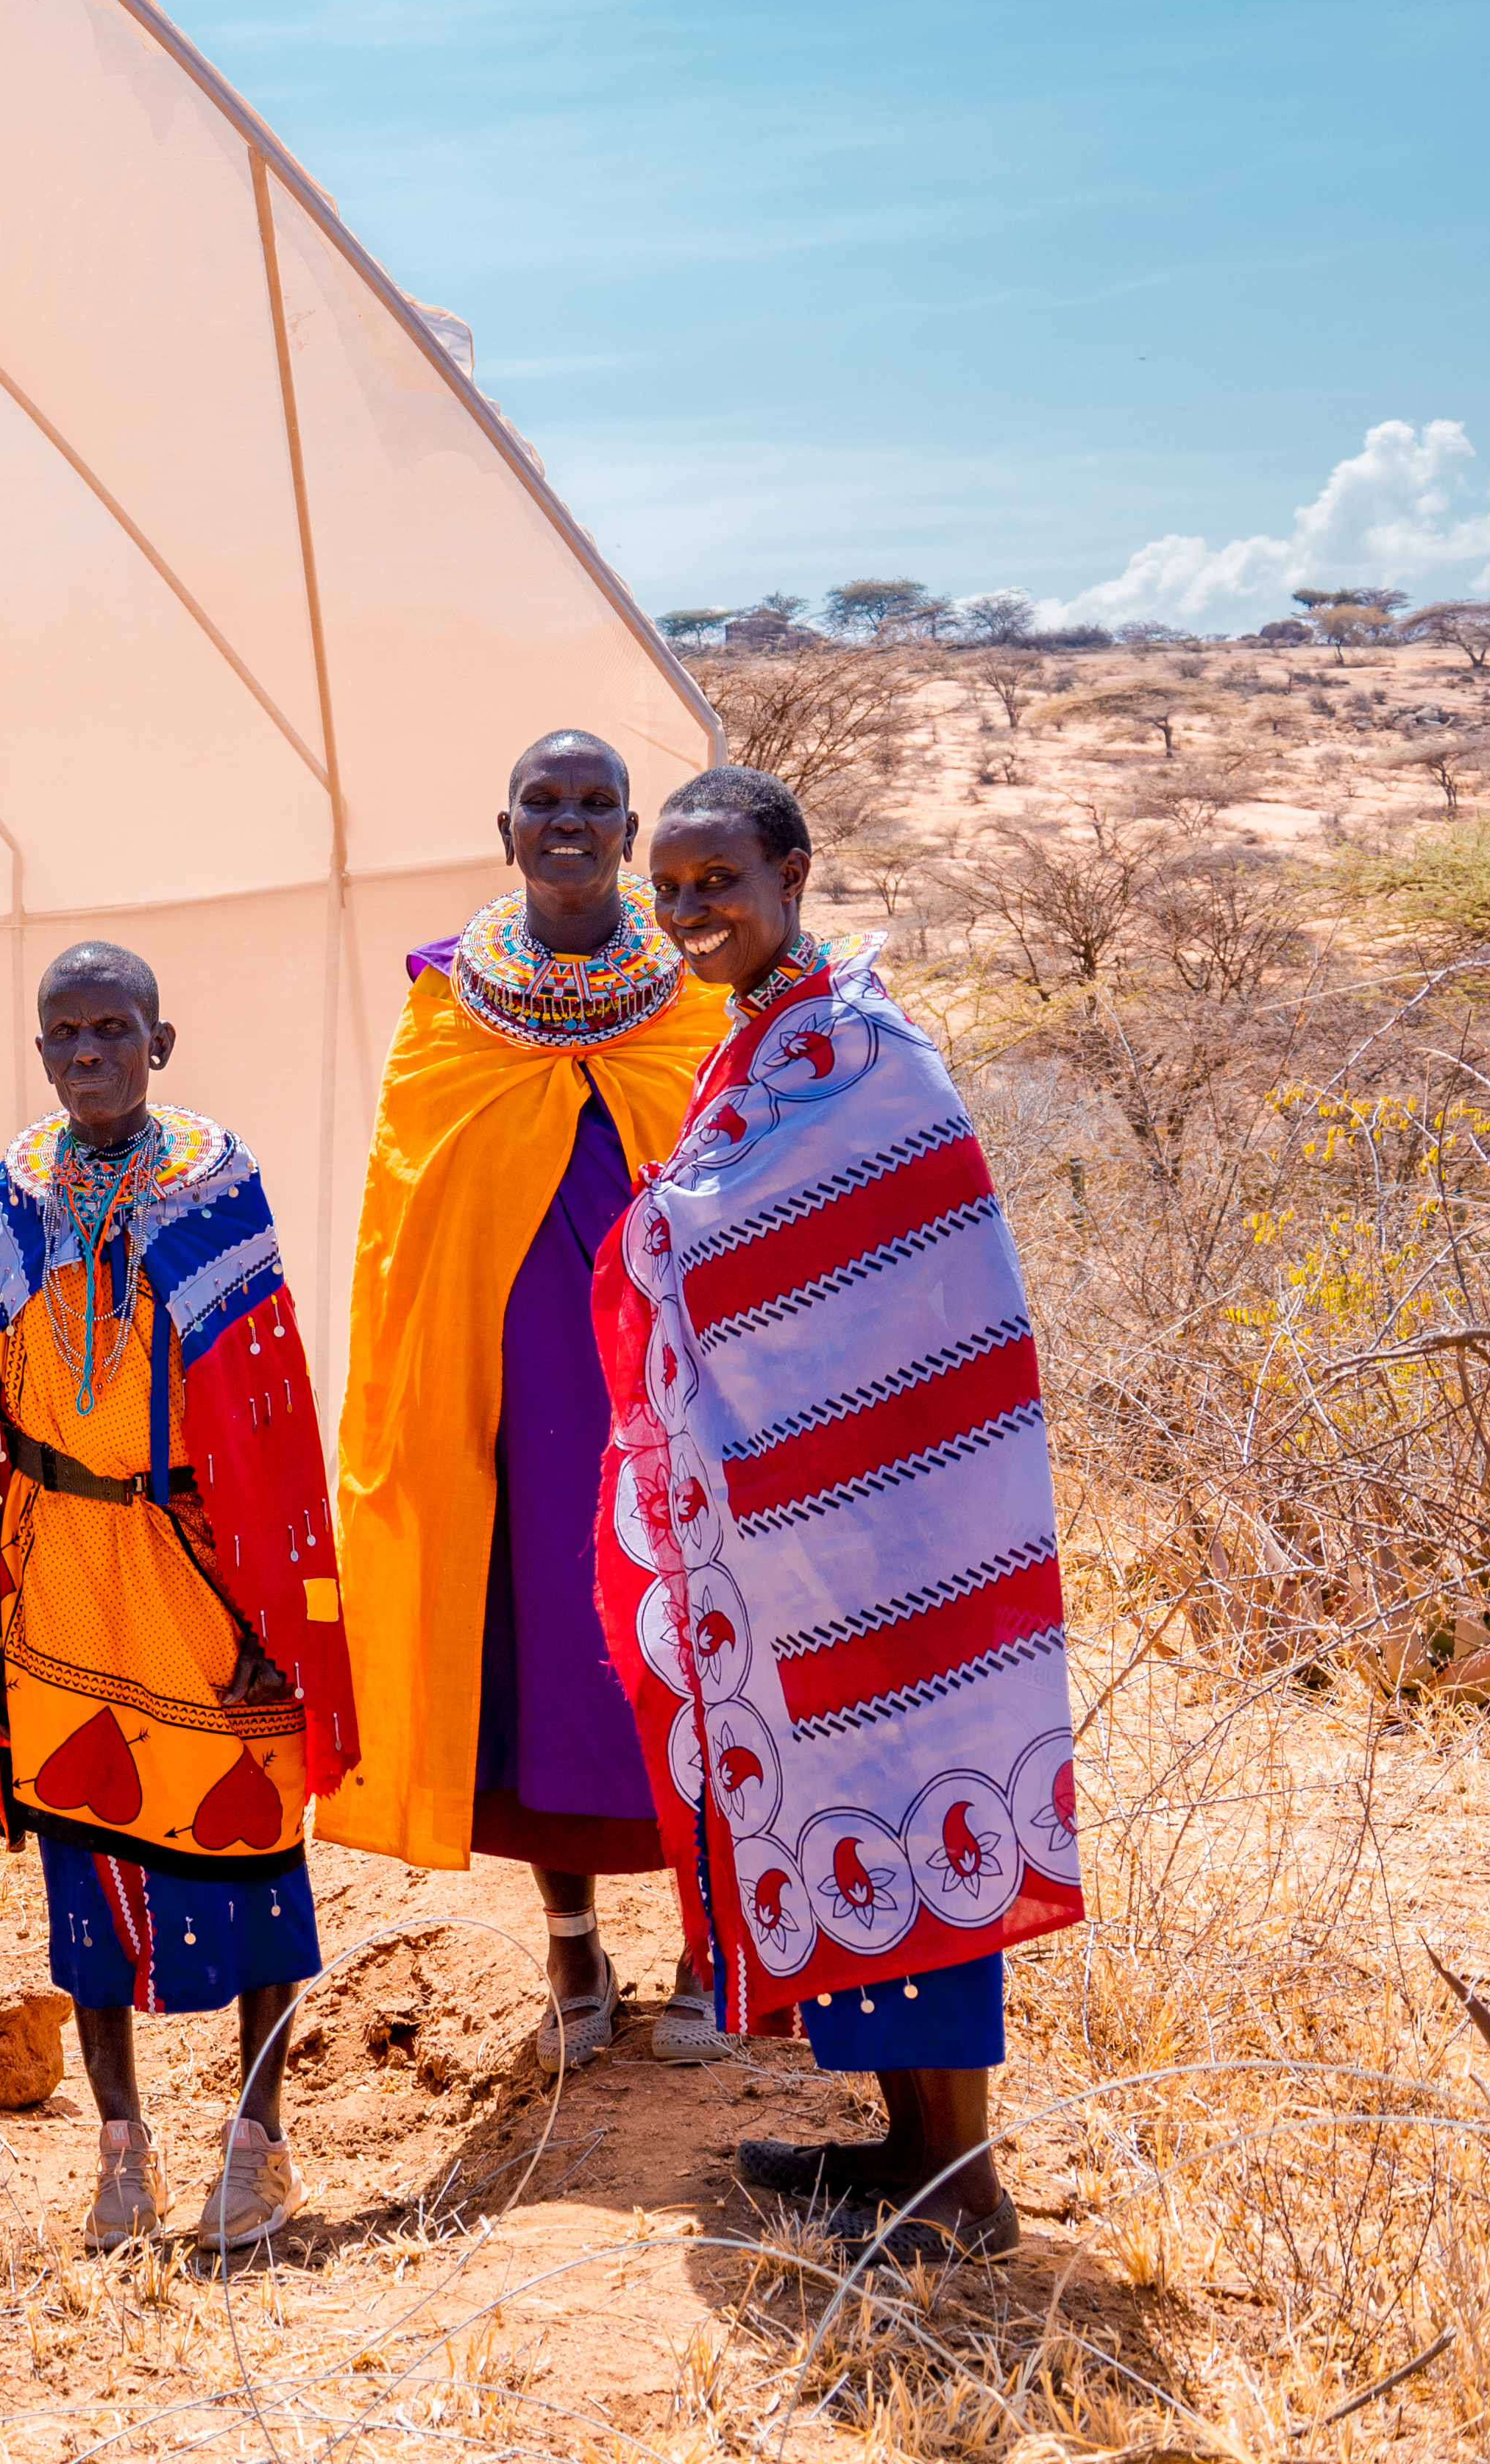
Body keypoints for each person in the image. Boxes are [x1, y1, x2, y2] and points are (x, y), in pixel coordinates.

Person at [602, 767, 1085, 2266]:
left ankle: (964, 2190)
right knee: (844, 1823)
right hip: (817, 1527)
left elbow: (898, 1261)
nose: (688, 913)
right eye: (668, 888)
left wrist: (662, 1225)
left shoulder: (868, 1056)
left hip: (909, 1525)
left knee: (918, 1815)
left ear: (794, 871)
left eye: (716, 881)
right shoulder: (776, 1042)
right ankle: (908, 2153)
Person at [325, 731, 732, 2069]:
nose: (570, 822)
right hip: (505, 1408)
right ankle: (571, 1954)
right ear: (504, 827)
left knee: (692, 1646)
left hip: (673, 1406)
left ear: (630, 829)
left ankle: (711, 1947)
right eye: (544, 804)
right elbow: (407, 1231)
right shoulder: (447, 1006)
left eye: (595, 804)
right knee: (529, 1660)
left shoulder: (696, 1001)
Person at [0, 945, 358, 2254]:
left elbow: (265, 1408)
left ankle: (257, 2149)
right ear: (39, 1049)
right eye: (64, 1031)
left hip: (197, 1557)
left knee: (253, 1857)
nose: (88, 1052)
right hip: (60, 1562)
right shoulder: (10, 1195)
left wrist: (271, 1611)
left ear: (160, 1039)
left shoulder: (216, 1184)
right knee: (88, 1866)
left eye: (112, 1029)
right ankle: (120, 2158)